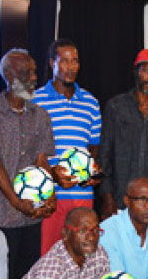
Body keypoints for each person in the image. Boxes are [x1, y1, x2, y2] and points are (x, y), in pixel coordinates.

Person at [0, 49, 64, 279]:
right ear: (8, 75)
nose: (34, 78)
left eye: (35, 72)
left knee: (26, 278)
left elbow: (42, 161)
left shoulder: (41, 115)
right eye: (27, 72)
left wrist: (50, 197)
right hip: (3, 215)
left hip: (33, 215)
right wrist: (17, 203)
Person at [33, 39, 102, 252]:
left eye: (75, 61)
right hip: (50, 197)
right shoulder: (37, 99)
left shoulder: (90, 102)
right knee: (49, 257)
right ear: (52, 63)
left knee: (79, 257)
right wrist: (51, 175)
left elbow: (94, 148)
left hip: (82, 196)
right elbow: (32, 151)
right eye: (65, 61)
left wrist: (93, 171)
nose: (71, 67)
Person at [99, 48, 148, 216]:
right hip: (121, 199)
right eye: (146, 70)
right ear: (135, 72)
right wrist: (107, 197)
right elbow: (105, 154)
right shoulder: (116, 106)